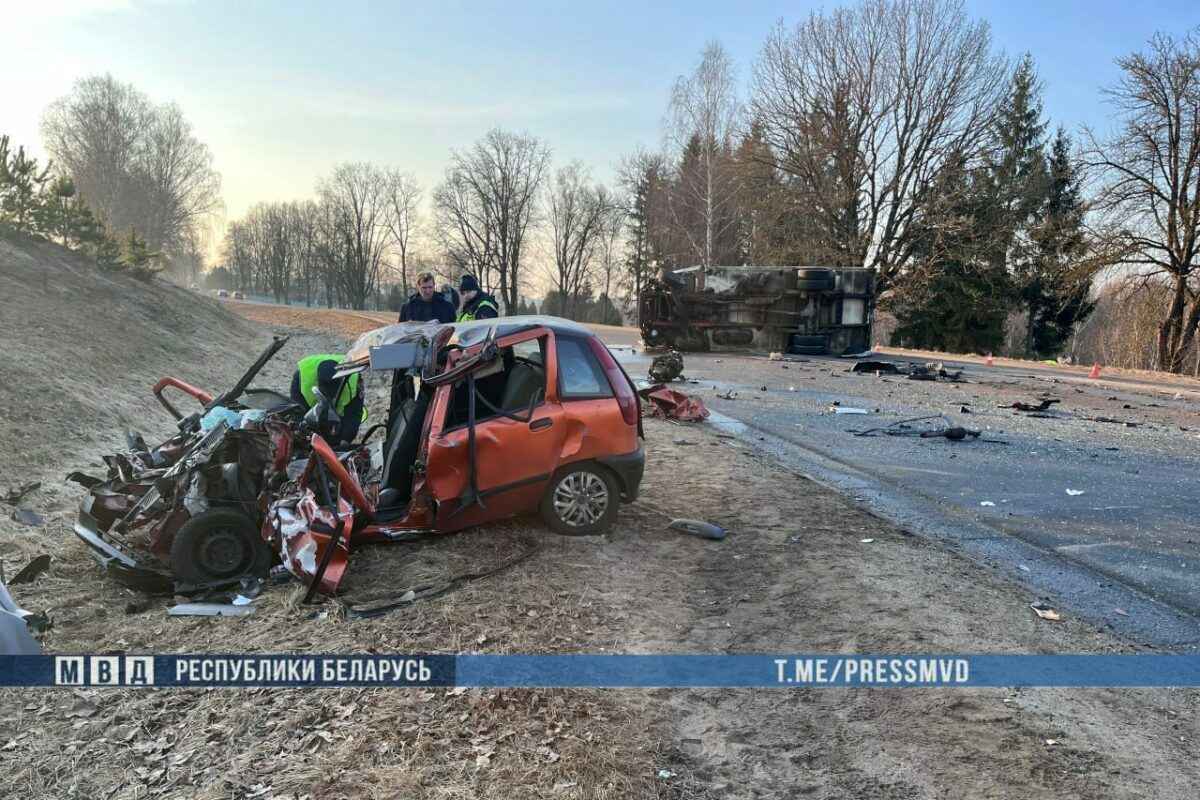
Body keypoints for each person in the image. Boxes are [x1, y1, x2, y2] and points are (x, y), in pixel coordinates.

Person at [290, 354, 366, 446]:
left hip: (338, 419)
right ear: (317, 382)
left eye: (332, 393)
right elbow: (297, 412)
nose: (330, 397)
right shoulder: (302, 379)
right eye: (326, 393)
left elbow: (354, 414)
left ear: (341, 381)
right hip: (310, 410)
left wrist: (345, 440)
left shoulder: (354, 380)